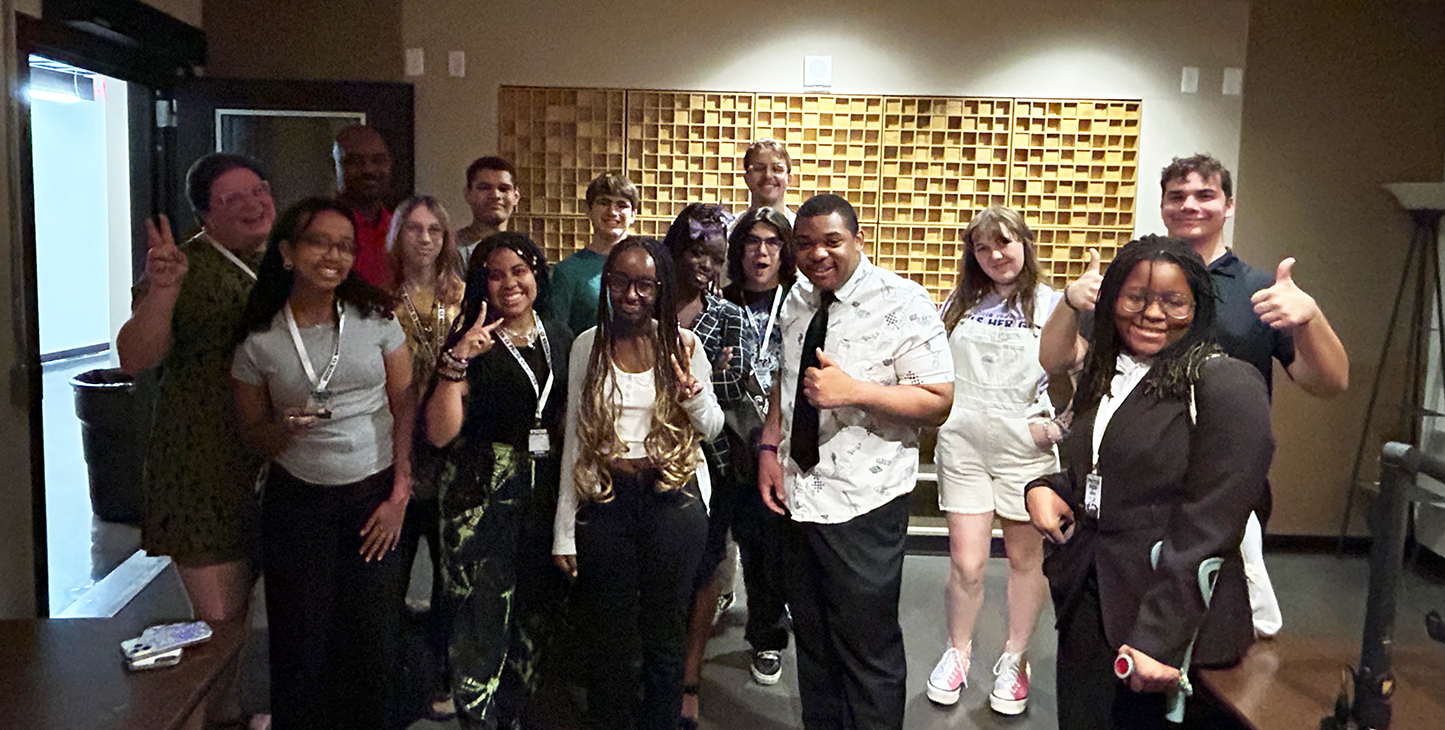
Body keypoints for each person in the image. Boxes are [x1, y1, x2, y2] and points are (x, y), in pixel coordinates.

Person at [1038, 154, 1349, 638]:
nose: (1190, 205)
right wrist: (1067, 301)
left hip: (1213, 499)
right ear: (1162, 206)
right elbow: (1060, 360)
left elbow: (1327, 381)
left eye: (1205, 195)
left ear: (1228, 206)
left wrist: (1310, 318)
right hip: (1123, 499)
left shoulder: (1257, 290)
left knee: (1199, 636)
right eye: (1177, 196)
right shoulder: (1135, 280)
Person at [1025, 235, 1274, 730]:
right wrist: (1050, 486)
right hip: (1094, 593)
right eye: (1135, 297)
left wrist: (1160, 638)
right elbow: (1108, 464)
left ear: (1197, 307)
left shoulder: (1223, 383)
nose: (1151, 313)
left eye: (1173, 301)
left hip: (1168, 621)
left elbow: (1212, 523)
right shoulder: (1112, 372)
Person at [757, 194, 954, 730]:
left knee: (868, 652)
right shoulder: (796, 298)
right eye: (804, 244)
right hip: (800, 495)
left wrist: (854, 392)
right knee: (815, 648)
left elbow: (937, 400)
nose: (817, 254)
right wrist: (770, 450)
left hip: (864, 502)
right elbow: (784, 379)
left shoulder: (904, 300)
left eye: (831, 241)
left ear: (858, 239)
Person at [231, 197, 413, 730]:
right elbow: (252, 435)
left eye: (344, 246)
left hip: (374, 497)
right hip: (299, 503)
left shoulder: (376, 316)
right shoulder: (259, 338)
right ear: (287, 251)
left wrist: (399, 496)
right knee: (301, 644)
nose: (333, 255)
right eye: (319, 242)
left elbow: (405, 401)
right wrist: (281, 429)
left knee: (372, 643)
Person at [116, 153, 275, 729]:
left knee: (250, 606)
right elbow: (135, 356)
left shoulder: (281, 263)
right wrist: (162, 291)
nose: (255, 203)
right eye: (235, 198)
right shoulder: (184, 264)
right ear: (206, 214)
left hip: (269, 455)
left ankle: (227, 709)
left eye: (259, 190)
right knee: (219, 615)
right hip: (202, 458)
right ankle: (203, 716)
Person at [552, 236, 723, 730]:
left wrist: (692, 395)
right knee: (610, 638)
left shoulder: (684, 345)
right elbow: (576, 442)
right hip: (606, 499)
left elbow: (710, 428)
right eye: (620, 282)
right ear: (606, 285)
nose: (631, 294)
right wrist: (565, 529)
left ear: (661, 289)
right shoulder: (588, 344)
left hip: (672, 499)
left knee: (665, 637)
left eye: (644, 285)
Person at [423, 232, 571, 729]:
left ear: (537, 275)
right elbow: (440, 434)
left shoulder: (560, 334)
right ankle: (479, 720)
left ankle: (516, 713)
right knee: (478, 615)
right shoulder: (471, 337)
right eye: (495, 273)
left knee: (533, 608)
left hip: (543, 490)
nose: (510, 283)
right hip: (478, 495)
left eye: (520, 270)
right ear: (480, 283)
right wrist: (458, 358)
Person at [927, 205, 1063, 715]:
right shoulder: (958, 303)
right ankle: (958, 652)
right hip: (963, 442)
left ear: (1024, 245)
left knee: (1027, 560)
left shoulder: (1052, 305)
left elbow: (1091, 373)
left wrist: (1058, 427)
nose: (995, 256)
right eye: (983, 248)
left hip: (1024, 448)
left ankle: (1015, 658)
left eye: (1004, 243)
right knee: (966, 562)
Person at [661, 203, 758, 729]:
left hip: (709, 464)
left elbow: (728, 392)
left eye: (714, 256)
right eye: (695, 251)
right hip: (641, 460)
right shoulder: (640, 307)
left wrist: (704, 379)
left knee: (703, 571)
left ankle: (689, 676)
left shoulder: (732, 317)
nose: (704, 264)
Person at [384, 194, 465, 721]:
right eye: (414, 229)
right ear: (398, 236)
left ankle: (442, 671)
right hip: (392, 448)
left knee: (447, 574)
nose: (425, 239)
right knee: (388, 573)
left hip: (450, 450)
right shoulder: (378, 300)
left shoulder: (459, 296)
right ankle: (387, 675)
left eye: (435, 230)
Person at [721, 206, 797, 687]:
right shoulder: (718, 301)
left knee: (771, 544)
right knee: (731, 543)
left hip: (781, 440)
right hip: (723, 440)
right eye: (752, 242)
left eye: (772, 242)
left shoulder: (801, 301)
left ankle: (770, 632)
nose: (762, 251)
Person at [550, 173, 638, 334]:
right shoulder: (567, 271)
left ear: (633, 214)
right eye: (604, 203)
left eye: (622, 205)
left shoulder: (646, 267)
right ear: (588, 210)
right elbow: (557, 335)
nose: (612, 212)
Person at [334, 124, 396, 287]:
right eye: (355, 161)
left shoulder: (401, 228)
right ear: (335, 166)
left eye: (378, 160)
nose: (369, 169)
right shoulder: (320, 230)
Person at [456, 156, 522, 271]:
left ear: (516, 196)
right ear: (468, 194)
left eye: (503, 189)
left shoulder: (524, 251)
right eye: (485, 188)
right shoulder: (448, 250)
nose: (495, 195)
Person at [737, 140, 796, 226]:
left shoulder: (800, 231)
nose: (768, 175)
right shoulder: (728, 231)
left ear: (789, 179)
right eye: (759, 169)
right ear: (747, 178)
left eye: (777, 169)